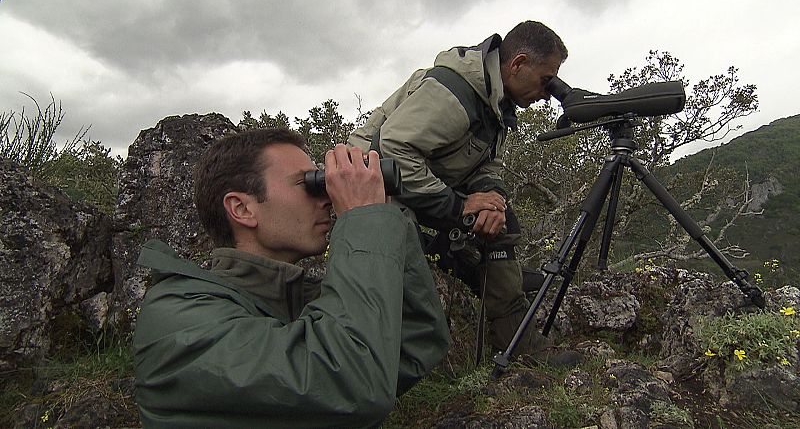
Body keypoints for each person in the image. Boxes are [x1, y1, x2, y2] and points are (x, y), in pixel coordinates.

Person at [133, 128, 450, 428]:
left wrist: (382, 214)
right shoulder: (178, 320)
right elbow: (349, 381)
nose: (326, 197)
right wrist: (362, 220)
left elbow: (414, 338)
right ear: (242, 209)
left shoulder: (298, 303)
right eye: (308, 184)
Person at [348, 21, 568, 356]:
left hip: (424, 180)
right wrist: (459, 207)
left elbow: (488, 164)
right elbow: (391, 151)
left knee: (501, 220)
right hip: (375, 184)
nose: (545, 95)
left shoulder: (496, 103)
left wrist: (491, 200)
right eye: (545, 81)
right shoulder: (455, 91)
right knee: (403, 233)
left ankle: (518, 342)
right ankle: (407, 344)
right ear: (518, 64)